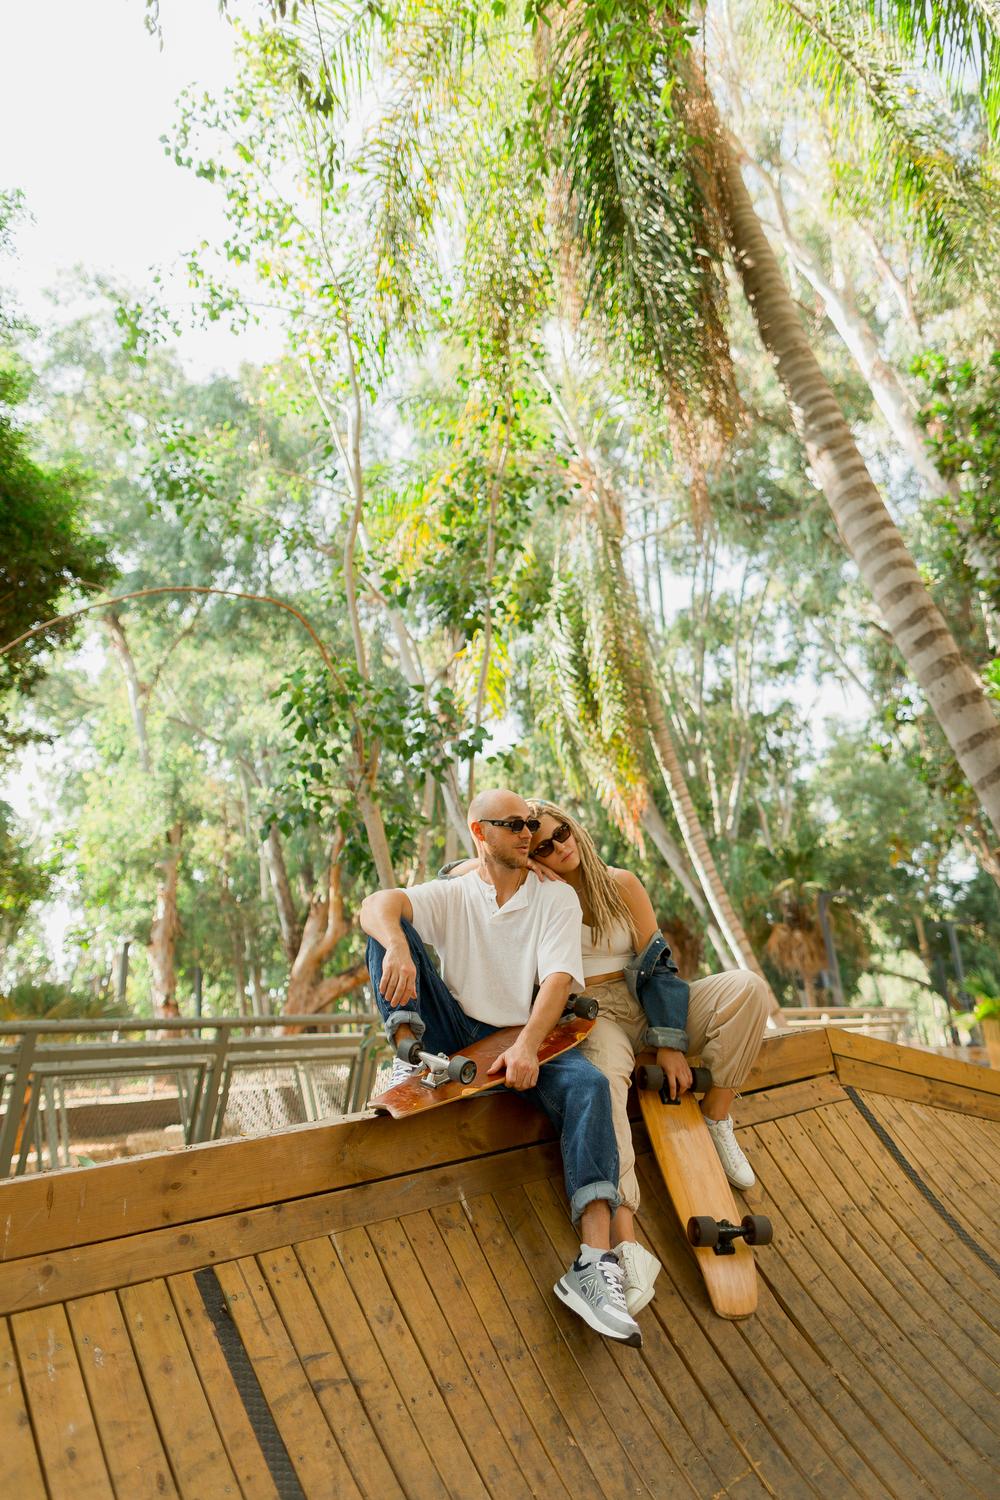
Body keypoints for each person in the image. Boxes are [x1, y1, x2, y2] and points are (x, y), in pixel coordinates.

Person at [441, 798, 770, 1317]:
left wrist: (669, 1042)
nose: (558, 846)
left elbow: (658, 965)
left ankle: (719, 1119)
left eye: (562, 832)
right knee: (605, 1084)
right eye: (542, 843)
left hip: (646, 1002)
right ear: (529, 850)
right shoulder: (532, 892)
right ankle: (626, 1239)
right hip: (591, 1016)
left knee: (746, 989)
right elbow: (456, 874)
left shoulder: (622, 883)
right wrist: (510, 861)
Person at [360, 787, 645, 1348]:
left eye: (531, 823)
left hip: (523, 1036)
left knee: (588, 1086)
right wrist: (395, 944)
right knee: (386, 929)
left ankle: (593, 1264)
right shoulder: (455, 893)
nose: (527, 833)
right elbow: (377, 903)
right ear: (479, 832)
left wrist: (527, 1048)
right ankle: (410, 1060)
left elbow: (560, 979)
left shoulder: (554, 898)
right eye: (513, 824)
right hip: (454, 1032)